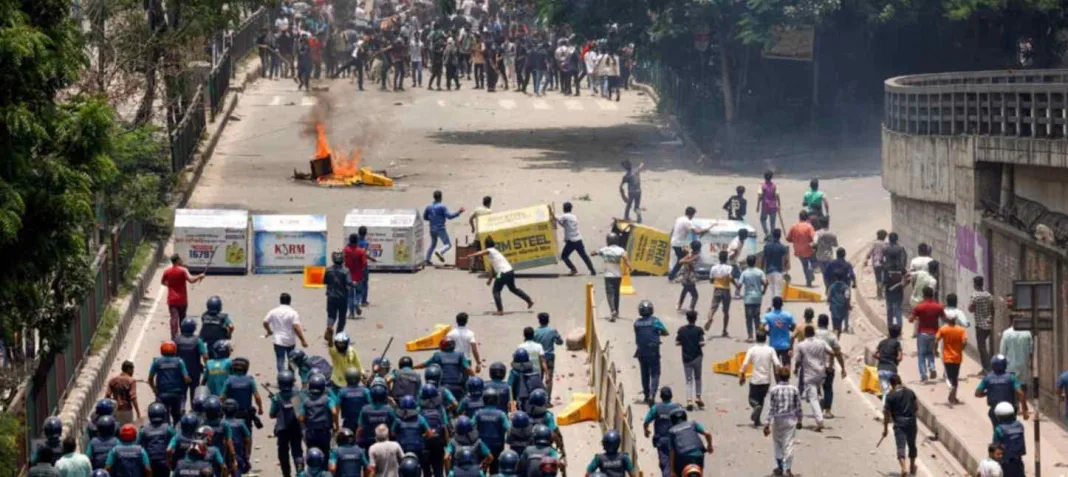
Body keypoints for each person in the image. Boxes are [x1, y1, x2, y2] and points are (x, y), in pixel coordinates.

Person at [462, 237, 534, 315]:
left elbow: (481, 253)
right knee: (513, 289)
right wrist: (489, 280)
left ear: (486, 245)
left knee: (496, 291)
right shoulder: (495, 253)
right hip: (510, 271)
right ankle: (529, 301)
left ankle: (500, 310)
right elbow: (491, 269)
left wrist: (470, 255)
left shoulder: (491, 250)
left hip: (501, 273)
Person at [793, 326, 832, 432]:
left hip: (809, 375)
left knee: (812, 398)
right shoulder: (821, 343)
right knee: (814, 392)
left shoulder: (802, 345)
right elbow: (832, 352)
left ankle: (819, 421)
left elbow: (798, 360)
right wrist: (829, 364)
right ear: (814, 333)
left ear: (805, 334)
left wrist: (796, 369)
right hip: (821, 373)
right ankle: (820, 399)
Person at [976, 355, 1030, 432]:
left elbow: (977, 393)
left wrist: (987, 392)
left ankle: (997, 439)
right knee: (1011, 430)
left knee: (997, 430)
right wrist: (1024, 410)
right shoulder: (1011, 377)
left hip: (994, 410)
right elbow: (1021, 393)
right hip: (1010, 410)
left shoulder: (988, 378)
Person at [739, 330, 781, 427]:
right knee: (761, 399)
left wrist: (742, 374)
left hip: (755, 379)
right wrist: (778, 373)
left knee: (752, 399)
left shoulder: (752, 350)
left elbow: (745, 364)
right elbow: (777, 364)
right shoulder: (771, 350)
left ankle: (755, 407)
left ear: (756, 338)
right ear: (765, 338)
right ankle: (757, 421)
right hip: (766, 380)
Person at [633, 300, 669, 405]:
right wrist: (658, 333)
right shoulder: (655, 321)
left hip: (641, 352)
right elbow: (666, 332)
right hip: (653, 352)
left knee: (644, 374)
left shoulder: (636, 323)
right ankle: (652, 395)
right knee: (655, 373)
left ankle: (646, 395)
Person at [882, 374, 918, 477]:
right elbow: (916, 407)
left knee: (901, 446)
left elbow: (886, 413)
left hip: (899, 422)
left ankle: (903, 468)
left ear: (891, 384)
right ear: (900, 381)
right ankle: (912, 466)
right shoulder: (910, 392)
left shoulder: (890, 396)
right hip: (911, 421)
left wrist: (885, 429)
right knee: (912, 444)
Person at [161, 253, 205, 338]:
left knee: (174, 319)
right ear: (177, 260)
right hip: (182, 300)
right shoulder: (183, 270)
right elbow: (191, 280)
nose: (181, 260)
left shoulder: (167, 271)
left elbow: (163, 282)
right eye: (180, 259)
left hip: (172, 300)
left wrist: (170, 285)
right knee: (182, 319)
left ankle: (174, 337)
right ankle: (184, 337)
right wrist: (199, 276)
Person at [263, 293, 309, 373]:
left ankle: (282, 377)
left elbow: (265, 322)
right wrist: (303, 340)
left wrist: (269, 331)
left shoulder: (273, 311)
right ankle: (290, 376)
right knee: (292, 360)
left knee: (280, 360)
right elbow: (296, 327)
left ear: (280, 301)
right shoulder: (293, 313)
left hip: (278, 341)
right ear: (289, 301)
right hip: (290, 341)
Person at [642, 388, 682, 477]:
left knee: (665, 465)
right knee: (677, 464)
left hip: (662, 441)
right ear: (671, 396)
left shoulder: (656, 408)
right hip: (677, 441)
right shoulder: (678, 407)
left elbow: (646, 421)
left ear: (661, 397)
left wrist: (646, 431)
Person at [147, 341, 190, 424]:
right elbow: (186, 378)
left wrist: (154, 389)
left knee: (164, 417)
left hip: (162, 394)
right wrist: (188, 381)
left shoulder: (157, 362)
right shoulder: (179, 361)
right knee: (177, 417)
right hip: (176, 394)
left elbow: (150, 379)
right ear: (174, 350)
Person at [591, 233, 629, 320]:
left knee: (609, 293)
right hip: (618, 275)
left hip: (608, 276)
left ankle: (612, 310)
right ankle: (617, 311)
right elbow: (625, 257)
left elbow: (594, 253)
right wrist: (629, 266)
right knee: (616, 293)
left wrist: (594, 252)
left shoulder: (605, 250)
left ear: (608, 241)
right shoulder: (620, 250)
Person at [221, 357, 264, 433]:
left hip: (231, 412)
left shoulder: (228, 380)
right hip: (246, 413)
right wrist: (260, 408)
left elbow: (221, 397)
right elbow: (257, 397)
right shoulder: (250, 380)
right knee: (247, 433)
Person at [814, 315, 847, 418]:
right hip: (828, 366)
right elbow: (838, 353)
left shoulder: (813, 334)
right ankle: (827, 411)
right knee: (828, 388)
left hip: (814, 366)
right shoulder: (832, 336)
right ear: (827, 324)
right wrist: (843, 368)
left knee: (814, 386)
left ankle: (819, 400)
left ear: (818, 323)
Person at [909, 287, 944, 382]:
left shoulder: (920, 307)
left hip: (922, 333)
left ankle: (924, 375)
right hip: (934, 333)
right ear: (932, 295)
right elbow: (944, 317)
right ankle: (932, 367)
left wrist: (917, 318)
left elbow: (910, 319)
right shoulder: (938, 306)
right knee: (930, 352)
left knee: (921, 355)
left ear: (923, 295)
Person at [554, 202, 596, 276]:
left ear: (563, 208)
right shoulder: (573, 216)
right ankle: (592, 270)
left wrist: (553, 214)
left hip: (571, 241)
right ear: (571, 209)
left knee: (564, 256)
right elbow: (564, 225)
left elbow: (559, 218)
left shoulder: (565, 216)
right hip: (578, 239)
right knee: (584, 256)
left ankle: (573, 269)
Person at [666, 409, 712, 477]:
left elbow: (672, 451)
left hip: (683, 457)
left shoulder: (671, 431)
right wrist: (710, 446)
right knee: (699, 472)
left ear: (672, 420)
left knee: (677, 473)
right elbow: (707, 434)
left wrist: (672, 470)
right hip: (698, 455)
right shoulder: (692, 423)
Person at [473, 390, 511, 474]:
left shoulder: (478, 413)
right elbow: (508, 428)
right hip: (497, 447)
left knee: (480, 470)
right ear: (497, 400)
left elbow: (471, 426)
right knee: (495, 471)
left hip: (481, 447)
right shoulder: (501, 414)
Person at [173, 318, 207, 409]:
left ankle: (182, 408)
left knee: (181, 392)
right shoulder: (198, 340)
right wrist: (207, 366)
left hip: (180, 372)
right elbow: (205, 356)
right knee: (194, 393)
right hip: (194, 371)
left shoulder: (176, 339)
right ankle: (194, 410)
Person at [424, 190, 466, 265]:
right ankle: (440, 251)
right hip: (440, 229)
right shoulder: (442, 207)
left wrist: (432, 219)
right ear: (441, 197)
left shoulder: (428, 207)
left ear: (434, 197)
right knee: (448, 244)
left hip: (432, 229)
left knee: (433, 244)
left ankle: (427, 259)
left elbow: (425, 217)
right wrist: (459, 212)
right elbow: (449, 216)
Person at [668, 207, 709, 281]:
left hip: (674, 241)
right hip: (678, 244)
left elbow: (673, 230)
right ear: (692, 214)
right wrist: (706, 230)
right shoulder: (687, 222)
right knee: (683, 259)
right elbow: (696, 232)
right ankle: (672, 276)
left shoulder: (679, 219)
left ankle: (691, 273)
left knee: (686, 257)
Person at [301, 374, 339, 454]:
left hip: (311, 432)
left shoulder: (306, 401)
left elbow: (301, 418)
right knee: (326, 453)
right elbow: (334, 412)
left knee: (311, 452)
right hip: (324, 432)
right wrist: (335, 424)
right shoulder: (327, 399)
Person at [999, 312, 1034, 397]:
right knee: (1022, 387)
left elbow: (1002, 352)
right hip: (1023, 366)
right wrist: (1030, 364)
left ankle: (1013, 403)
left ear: (1010, 321)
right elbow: (1031, 351)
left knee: (1011, 389)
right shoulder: (1027, 333)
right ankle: (1022, 403)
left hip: (1010, 367)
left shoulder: (1006, 333)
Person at [675, 312, 705, 410]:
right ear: (695, 319)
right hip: (697, 357)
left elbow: (677, 342)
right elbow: (702, 343)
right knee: (698, 378)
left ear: (687, 319)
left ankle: (689, 401)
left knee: (688, 380)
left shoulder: (682, 330)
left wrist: (684, 342)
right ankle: (698, 397)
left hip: (686, 358)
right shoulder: (699, 330)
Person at [420, 384, 451, 477]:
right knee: (438, 468)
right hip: (438, 442)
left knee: (426, 470)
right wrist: (448, 446)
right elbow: (445, 427)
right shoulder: (440, 408)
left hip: (425, 443)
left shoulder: (420, 409)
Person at [935, 313, 967, 404]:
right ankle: (953, 397)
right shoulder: (961, 330)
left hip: (947, 357)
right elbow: (965, 341)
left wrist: (935, 350)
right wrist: (961, 349)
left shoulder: (943, 329)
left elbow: (936, 340)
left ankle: (951, 388)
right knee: (955, 377)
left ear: (947, 319)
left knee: (948, 376)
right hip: (957, 357)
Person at [704, 251, 737, 338]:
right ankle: (724, 330)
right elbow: (731, 278)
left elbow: (711, 280)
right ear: (726, 258)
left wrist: (717, 280)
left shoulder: (714, 268)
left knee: (713, 308)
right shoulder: (729, 268)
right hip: (726, 290)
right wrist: (736, 285)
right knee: (726, 312)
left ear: (719, 258)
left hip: (717, 289)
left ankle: (710, 318)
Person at [533, 313, 563, 398]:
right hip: (549, 358)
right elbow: (560, 342)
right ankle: (548, 399)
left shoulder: (535, 332)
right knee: (549, 378)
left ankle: (538, 398)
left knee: (538, 378)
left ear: (539, 321)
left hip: (538, 358)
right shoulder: (552, 331)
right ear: (548, 321)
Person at [882, 232, 908, 329]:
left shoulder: (886, 250)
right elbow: (906, 274)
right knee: (898, 309)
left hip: (888, 289)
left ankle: (890, 327)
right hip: (899, 288)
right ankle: (899, 328)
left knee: (889, 309)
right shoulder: (901, 250)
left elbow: (882, 261)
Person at [970, 276, 996, 371]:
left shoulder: (975, 296)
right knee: (983, 347)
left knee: (982, 348)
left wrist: (972, 307)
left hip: (980, 326)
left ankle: (988, 368)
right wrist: (990, 319)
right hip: (988, 325)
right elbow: (993, 310)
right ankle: (985, 368)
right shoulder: (989, 295)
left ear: (975, 284)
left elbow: (971, 309)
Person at [739, 255, 767, 342]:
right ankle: (758, 335)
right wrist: (764, 291)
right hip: (757, 297)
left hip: (748, 298)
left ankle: (750, 336)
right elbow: (765, 282)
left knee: (749, 318)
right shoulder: (760, 272)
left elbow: (739, 284)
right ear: (755, 262)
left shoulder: (744, 273)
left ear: (747, 263)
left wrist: (736, 287)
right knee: (757, 318)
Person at [873, 324, 904, 404]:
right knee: (897, 389)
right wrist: (895, 360)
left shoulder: (882, 342)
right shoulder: (897, 343)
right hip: (891, 369)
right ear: (899, 334)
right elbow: (899, 357)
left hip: (881, 369)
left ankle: (885, 407)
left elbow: (874, 354)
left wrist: (882, 358)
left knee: (885, 390)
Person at [785, 211, 817, 288]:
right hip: (808, 249)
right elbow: (814, 238)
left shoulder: (793, 226)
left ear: (799, 217)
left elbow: (788, 238)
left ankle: (808, 282)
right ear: (807, 217)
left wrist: (794, 240)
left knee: (804, 265)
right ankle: (811, 269)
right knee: (815, 262)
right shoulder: (809, 226)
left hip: (798, 250)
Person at [762, 298, 796, 366]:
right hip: (785, 345)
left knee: (776, 366)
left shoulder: (768, 315)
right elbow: (793, 327)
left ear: (773, 305)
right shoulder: (788, 315)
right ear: (782, 305)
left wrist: (768, 333)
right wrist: (787, 327)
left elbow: (761, 327)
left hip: (773, 346)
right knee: (786, 366)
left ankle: (777, 373)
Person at [106, 360, 141, 426]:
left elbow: (107, 396)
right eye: (132, 370)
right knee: (128, 430)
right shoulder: (131, 380)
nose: (133, 371)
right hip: (127, 410)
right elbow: (133, 398)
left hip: (115, 411)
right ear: (128, 369)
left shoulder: (113, 380)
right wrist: (138, 412)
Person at [325, 250, 351, 336]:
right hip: (342, 298)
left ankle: (329, 327)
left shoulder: (328, 270)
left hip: (331, 297)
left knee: (331, 316)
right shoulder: (345, 271)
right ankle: (338, 335)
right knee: (342, 318)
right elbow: (349, 282)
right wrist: (354, 284)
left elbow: (324, 281)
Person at [343, 234, 368, 321]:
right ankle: (356, 302)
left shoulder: (346, 250)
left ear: (349, 240)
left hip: (348, 276)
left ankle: (351, 314)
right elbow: (364, 263)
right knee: (359, 292)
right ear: (357, 241)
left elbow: (342, 262)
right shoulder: (361, 251)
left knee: (350, 295)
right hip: (358, 275)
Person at [760, 229, 789, 299]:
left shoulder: (766, 246)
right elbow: (786, 260)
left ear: (772, 235)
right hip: (778, 272)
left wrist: (761, 270)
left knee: (773, 291)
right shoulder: (782, 247)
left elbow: (763, 259)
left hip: (769, 272)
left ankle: (773, 304)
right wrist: (785, 270)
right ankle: (776, 304)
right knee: (778, 292)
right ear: (780, 236)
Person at [826, 265, 852, 338]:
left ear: (835, 277)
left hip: (834, 309)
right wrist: (849, 306)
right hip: (843, 309)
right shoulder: (846, 287)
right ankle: (837, 337)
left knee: (835, 326)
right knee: (839, 325)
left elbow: (829, 297)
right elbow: (847, 297)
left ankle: (835, 338)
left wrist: (829, 301)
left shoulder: (832, 287)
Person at [675, 241, 701, 312]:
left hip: (684, 277)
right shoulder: (696, 256)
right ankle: (691, 309)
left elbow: (681, 261)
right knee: (695, 295)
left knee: (685, 290)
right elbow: (687, 262)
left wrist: (686, 258)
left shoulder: (690, 255)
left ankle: (679, 305)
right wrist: (687, 259)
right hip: (689, 278)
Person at [864, 230, 889, 299]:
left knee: (878, 279)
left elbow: (869, 252)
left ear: (878, 236)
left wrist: (866, 259)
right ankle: (883, 292)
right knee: (884, 278)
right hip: (884, 263)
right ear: (884, 237)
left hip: (876, 264)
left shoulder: (874, 243)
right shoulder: (886, 244)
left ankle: (879, 295)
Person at [756, 171, 781, 237]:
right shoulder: (774, 185)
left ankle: (767, 233)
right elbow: (777, 195)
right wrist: (779, 205)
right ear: (771, 177)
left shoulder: (762, 185)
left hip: (765, 206)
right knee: (772, 223)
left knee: (762, 220)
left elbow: (760, 196)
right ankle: (772, 235)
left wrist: (758, 206)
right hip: (773, 206)